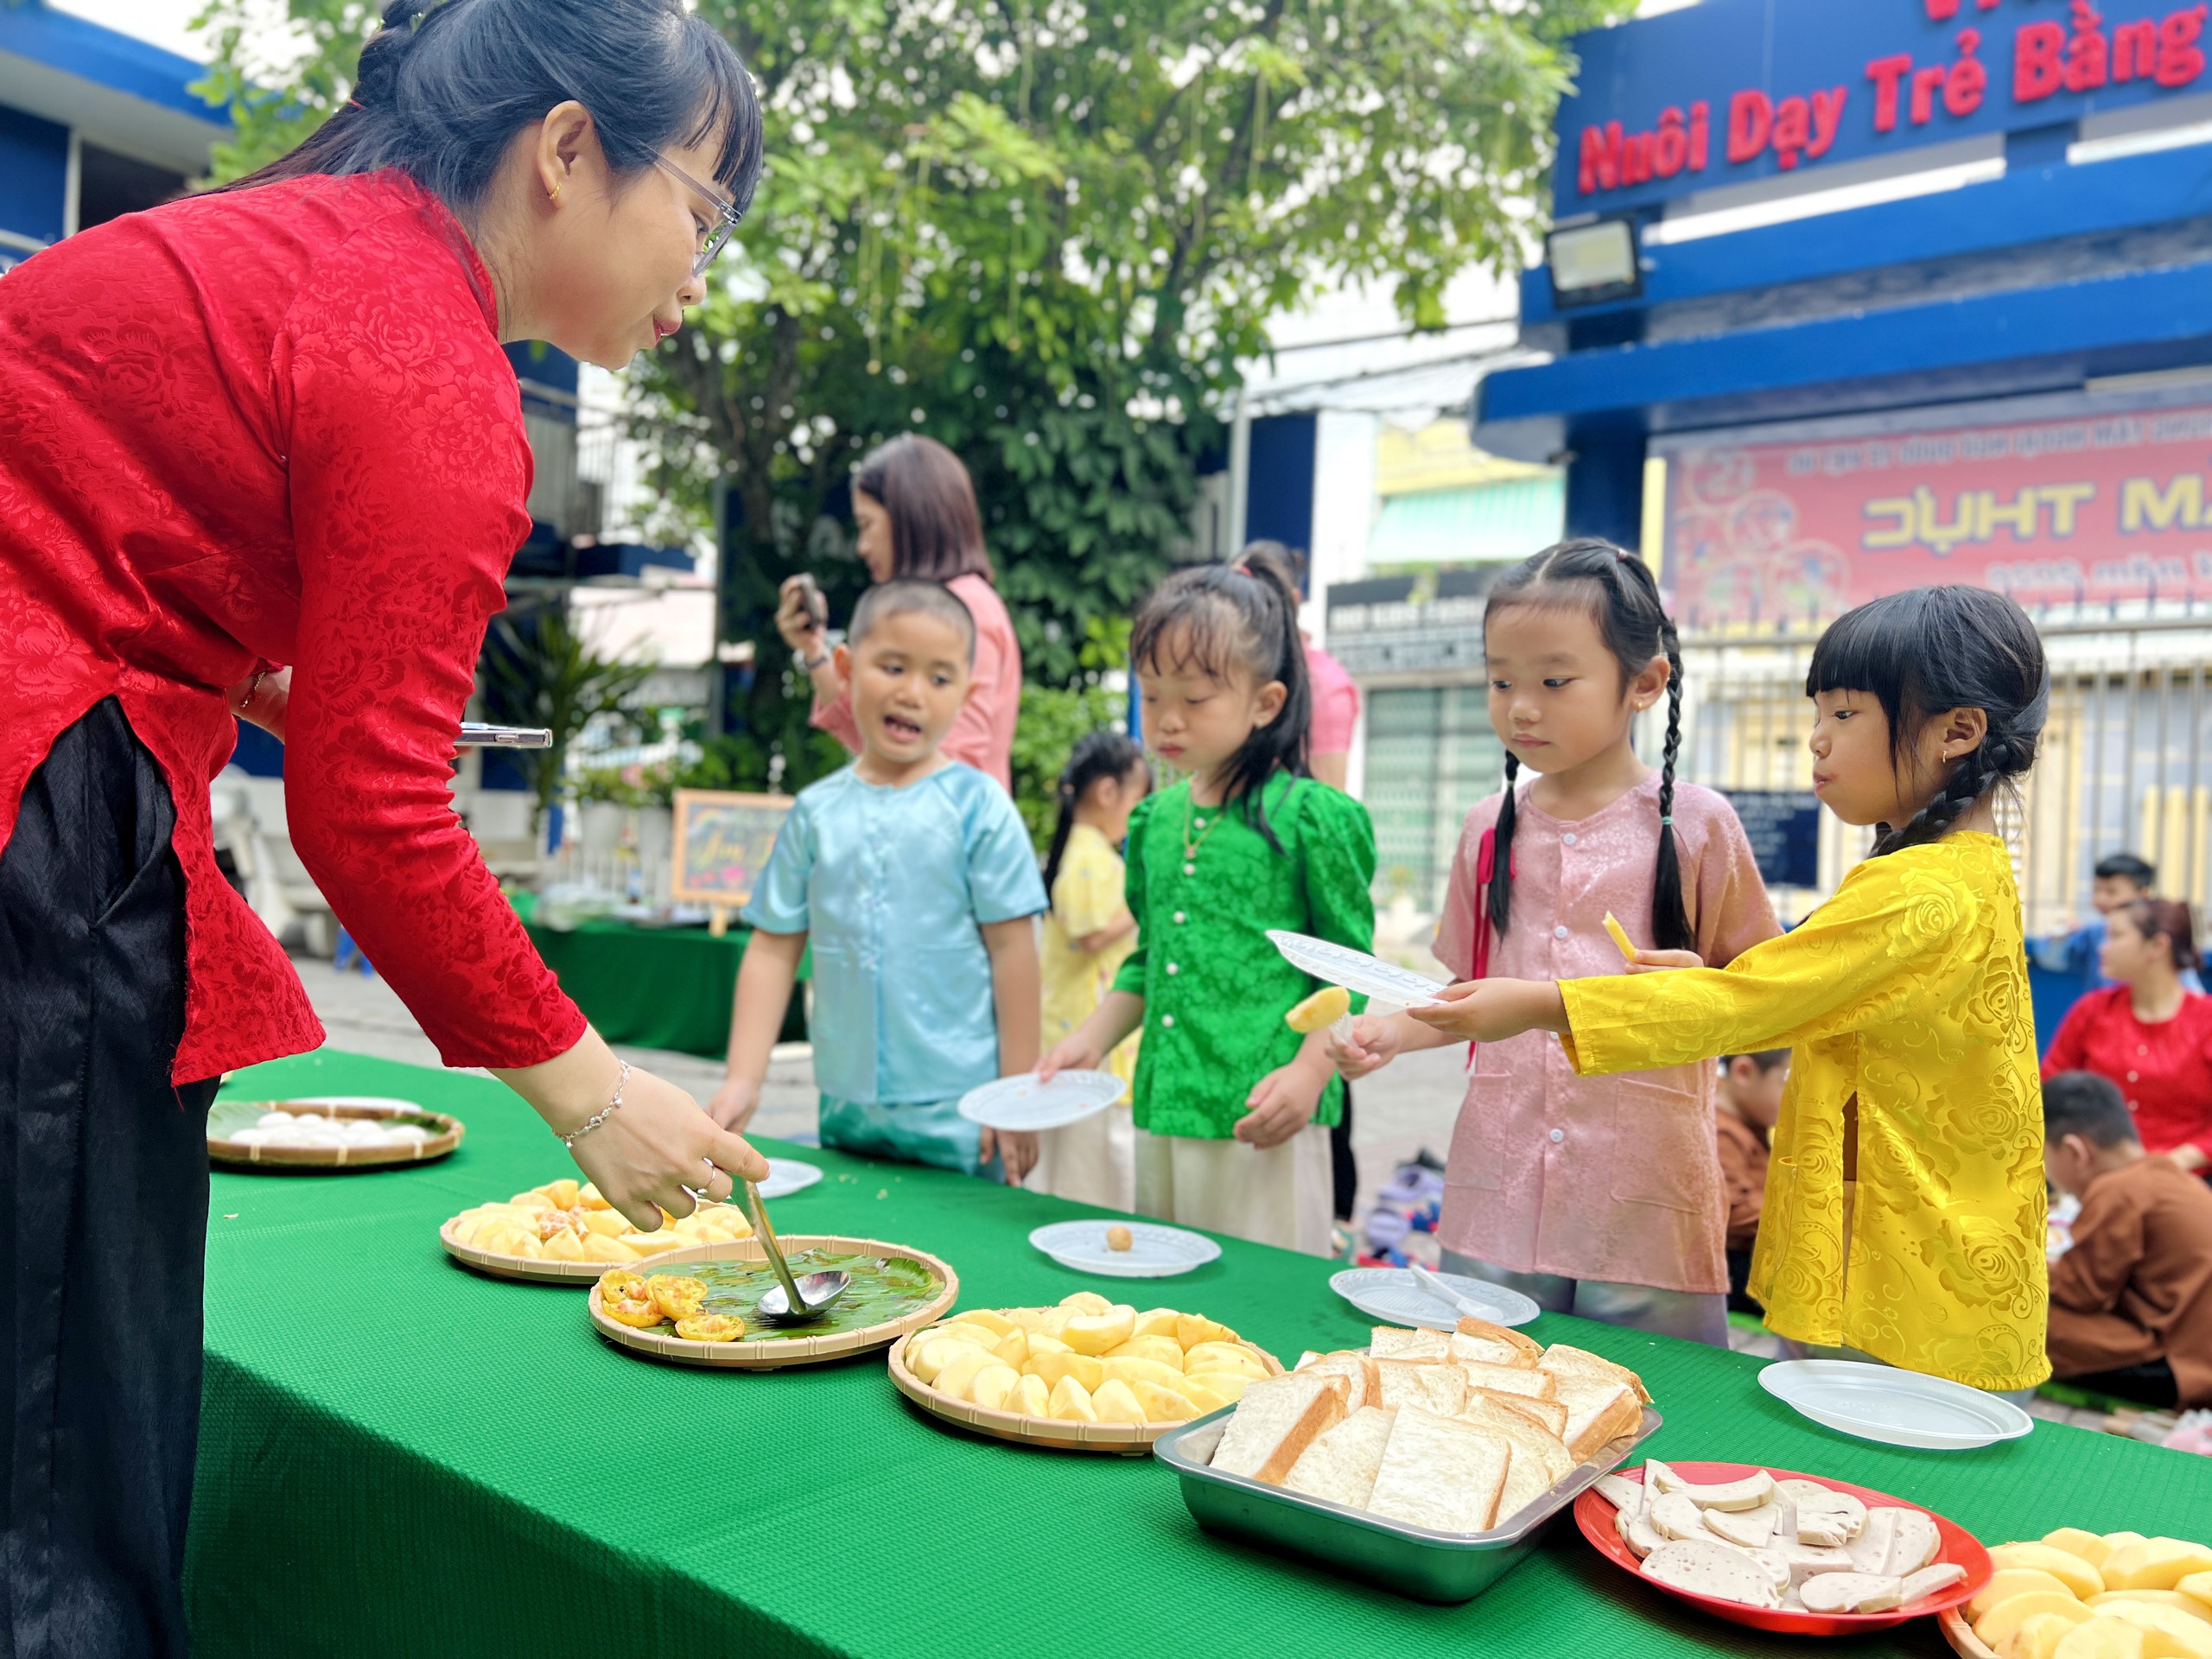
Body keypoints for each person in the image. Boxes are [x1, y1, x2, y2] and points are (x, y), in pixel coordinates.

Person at [0, 4, 772, 1650]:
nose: (699, 279)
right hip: (36, 803)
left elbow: (91, 518)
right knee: (57, 1464)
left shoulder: (305, 243)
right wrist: (594, 1094)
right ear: (569, 151)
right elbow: (376, 815)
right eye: (703, 213)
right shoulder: (429, 357)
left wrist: (243, 673)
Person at [1388, 585, 2053, 1392]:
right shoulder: (1953, 873)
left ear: (1958, 731)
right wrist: (1715, 984)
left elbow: (1752, 1004)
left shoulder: (1918, 889)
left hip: (1907, 1275)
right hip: (1912, 1258)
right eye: (1818, 714)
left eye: (1845, 715)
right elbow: (1782, 990)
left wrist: (1541, 1003)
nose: (1817, 739)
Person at [1329, 538, 1777, 1347]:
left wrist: (1701, 990)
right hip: (1498, 1196)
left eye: (1554, 682)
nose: (1521, 708)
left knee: (1654, 1404)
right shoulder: (1487, 828)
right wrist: (1390, 1033)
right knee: (1483, 1392)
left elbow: (1764, 999)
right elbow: (1468, 997)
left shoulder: (1700, 827)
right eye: (1501, 680)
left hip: (1644, 1210)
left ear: (1645, 683)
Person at [1038, 550, 1376, 1255]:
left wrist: (1309, 1074)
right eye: (1152, 696)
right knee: (1172, 1292)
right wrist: (1090, 1039)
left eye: (1194, 700)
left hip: (1267, 1112)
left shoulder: (1311, 818)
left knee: (1263, 1298)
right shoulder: (1153, 822)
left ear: (1266, 702)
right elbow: (1150, 958)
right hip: (1167, 1107)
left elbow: (1350, 971)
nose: (1167, 721)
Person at [709, 580, 1046, 1180]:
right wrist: (743, 1079)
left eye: (939, 678)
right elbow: (772, 948)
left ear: (968, 694)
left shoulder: (981, 808)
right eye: (893, 667)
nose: (913, 693)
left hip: (965, 1114)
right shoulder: (816, 811)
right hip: (846, 1109)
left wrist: (1014, 1095)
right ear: (844, 668)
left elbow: (1014, 952)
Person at [774, 435, 1021, 790]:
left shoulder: (966, 611)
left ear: (910, 519)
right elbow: (881, 746)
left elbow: (953, 765)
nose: (862, 547)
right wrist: (814, 650)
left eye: (867, 525)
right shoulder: (936, 609)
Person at [1243, 540, 1366, 1222]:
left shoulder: (1324, 680)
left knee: (1325, 1048)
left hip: (1297, 867)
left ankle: (1338, 1219)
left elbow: (1333, 791)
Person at [1028, 729, 1151, 1210]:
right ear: (1107, 792)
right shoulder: (1089, 857)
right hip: (1086, 1031)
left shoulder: (1083, 852)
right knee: (1089, 1167)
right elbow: (1089, 931)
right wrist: (1145, 907)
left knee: (1086, 1159)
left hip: (1078, 1025)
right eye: (1136, 799)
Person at [2043, 1071, 2212, 1409]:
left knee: (2020, 1318)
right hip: (2191, 1349)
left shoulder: (2118, 1190)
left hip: (2176, 1366)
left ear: (2075, 1151)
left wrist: (2023, 1262)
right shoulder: (2166, 1175)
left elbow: (2080, 1292)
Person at [2042, 898, 2212, 1178]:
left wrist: (2180, 1159)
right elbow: (2049, 1086)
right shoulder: (2092, 1011)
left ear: (2157, 946)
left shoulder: (2206, 1021)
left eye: (2115, 936)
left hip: (2186, 1180)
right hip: (2094, 1178)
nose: (2102, 947)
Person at [2034, 852, 2203, 995]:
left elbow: (2191, 992)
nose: (2101, 898)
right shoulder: (2092, 934)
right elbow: (2050, 959)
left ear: (2142, 894)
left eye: (2111, 892)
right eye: (2097, 890)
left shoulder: (2160, 937)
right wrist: (2060, 937)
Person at [1715, 1051, 1789, 1315]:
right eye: (1788, 1082)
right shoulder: (1722, 1132)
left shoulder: (1751, 1125)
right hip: (1736, 1269)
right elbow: (1732, 1211)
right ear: (1744, 1072)